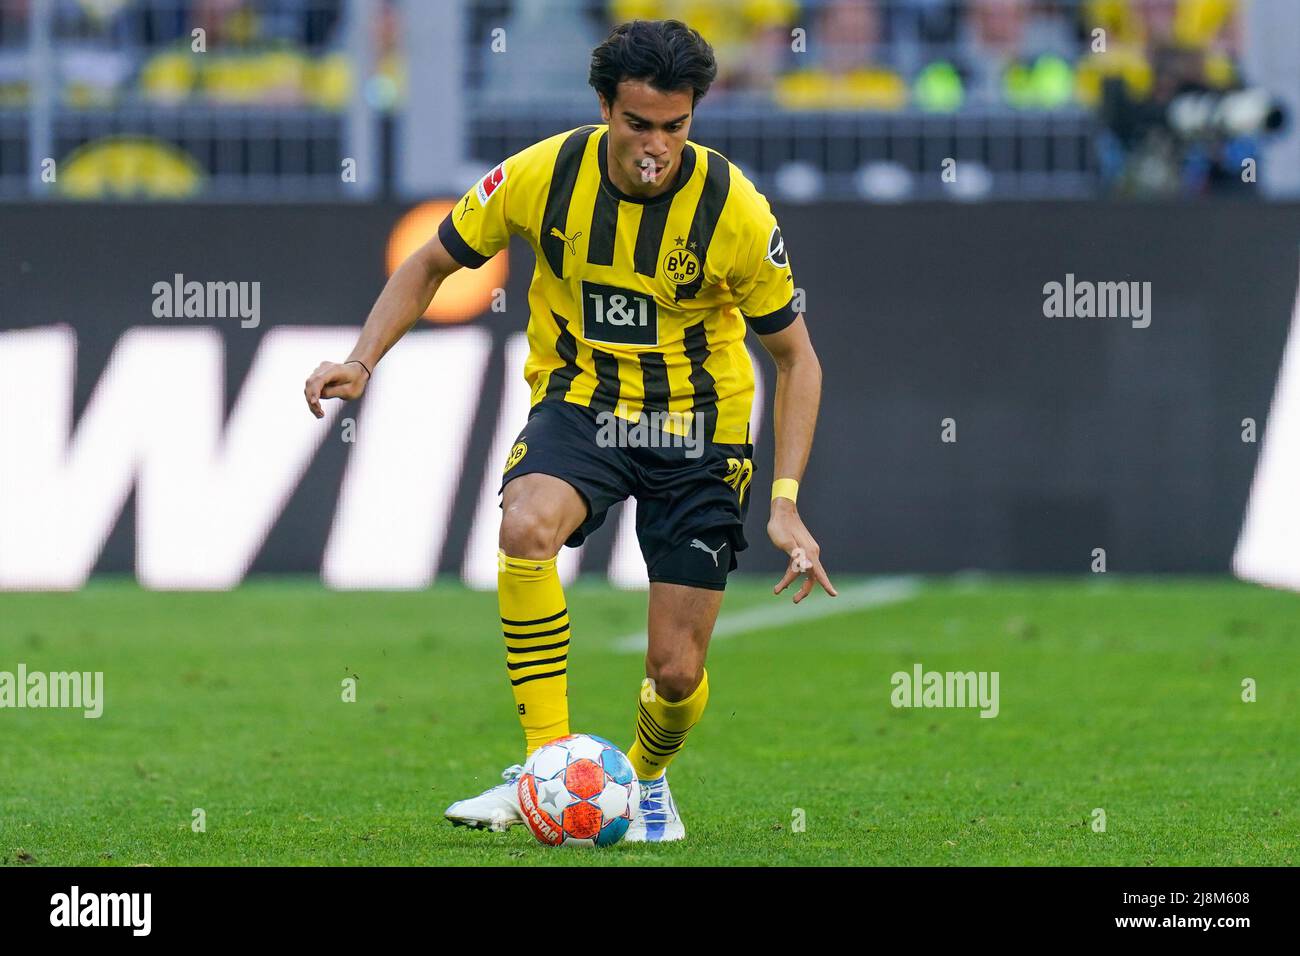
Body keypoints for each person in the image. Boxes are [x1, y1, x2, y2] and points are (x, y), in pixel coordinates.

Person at [303, 18, 834, 843]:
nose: (655, 147)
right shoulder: (544, 174)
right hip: (583, 405)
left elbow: (798, 361)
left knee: (676, 670)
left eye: (675, 127)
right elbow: (430, 263)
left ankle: (648, 781)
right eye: (637, 124)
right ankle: (545, 766)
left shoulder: (734, 211)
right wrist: (363, 362)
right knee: (525, 525)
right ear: (604, 109)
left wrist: (787, 500)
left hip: (700, 430)